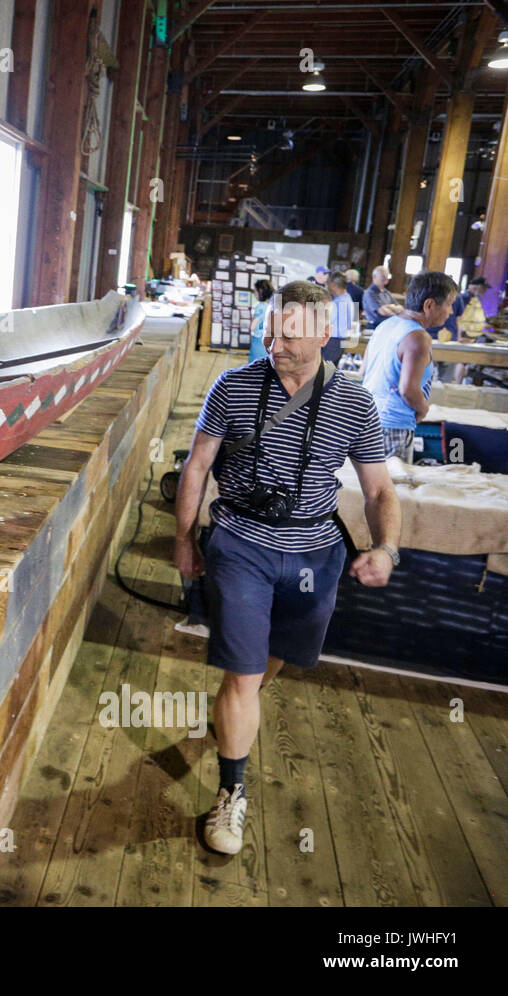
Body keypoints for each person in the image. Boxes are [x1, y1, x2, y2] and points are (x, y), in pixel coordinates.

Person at [174, 279, 400, 856]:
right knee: (246, 671)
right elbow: (197, 468)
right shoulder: (234, 386)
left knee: (273, 660)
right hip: (241, 543)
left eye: (290, 334)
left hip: (313, 552)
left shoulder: (353, 402)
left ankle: (235, 704)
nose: (275, 343)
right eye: (270, 330)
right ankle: (231, 794)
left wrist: (386, 547)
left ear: (325, 335)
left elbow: (378, 490)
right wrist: (184, 539)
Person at [361, 270, 458, 462]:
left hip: (369, 419)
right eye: (449, 304)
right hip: (392, 426)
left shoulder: (386, 325)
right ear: (429, 305)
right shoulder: (418, 337)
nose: (451, 311)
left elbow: (363, 371)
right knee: (390, 487)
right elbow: (408, 390)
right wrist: (423, 409)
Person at [324, 271, 353, 364]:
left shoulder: (338, 303)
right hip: (339, 341)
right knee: (330, 373)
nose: (327, 286)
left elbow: (325, 322)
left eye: (327, 283)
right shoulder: (348, 299)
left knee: (324, 374)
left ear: (333, 284)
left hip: (332, 342)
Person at [247, 279, 275, 362]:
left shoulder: (260, 306)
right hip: (269, 342)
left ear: (261, 291)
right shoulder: (272, 305)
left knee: (255, 366)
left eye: (255, 291)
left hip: (258, 342)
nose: (254, 294)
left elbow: (252, 327)